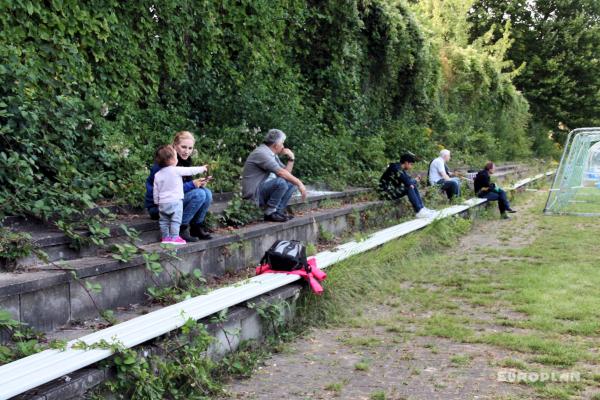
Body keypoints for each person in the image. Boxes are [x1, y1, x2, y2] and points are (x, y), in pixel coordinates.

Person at [145, 131, 213, 242]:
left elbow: (185, 187)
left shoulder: (184, 161)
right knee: (199, 194)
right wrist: (192, 185)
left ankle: (196, 227)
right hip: (160, 206)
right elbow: (167, 190)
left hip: (174, 201)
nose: (187, 151)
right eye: (183, 147)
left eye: (190, 148)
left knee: (207, 193)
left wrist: (198, 183)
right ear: (175, 145)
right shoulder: (164, 163)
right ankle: (181, 228)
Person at [242, 129, 307, 222]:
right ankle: (269, 213)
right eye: (282, 143)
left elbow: (286, 173)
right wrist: (300, 184)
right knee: (280, 182)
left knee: (291, 183)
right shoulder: (262, 153)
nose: (283, 146)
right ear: (276, 145)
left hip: (263, 190)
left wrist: (291, 159)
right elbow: (281, 173)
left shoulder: (272, 154)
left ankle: (277, 212)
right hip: (254, 195)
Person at [153, 145, 208, 244]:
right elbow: (190, 170)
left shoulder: (157, 175)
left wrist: (157, 202)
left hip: (163, 203)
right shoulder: (176, 170)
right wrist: (202, 168)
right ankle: (175, 237)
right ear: (172, 159)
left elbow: (156, 191)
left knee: (164, 221)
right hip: (175, 202)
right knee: (175, 220)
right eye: (175, 156)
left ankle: (166, 238)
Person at [379, 153, 437, 218]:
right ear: (406, 163)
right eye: (411, 164)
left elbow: (408, 180)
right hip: (386, 193)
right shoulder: (395, 168)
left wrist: (414, 181)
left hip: (393, 191)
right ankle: (419, 211)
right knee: (409, 188)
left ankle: (422, 208)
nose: (411, 167)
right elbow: (407, 182)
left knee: (412, 185)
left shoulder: (400, 169)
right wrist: (413, 182)